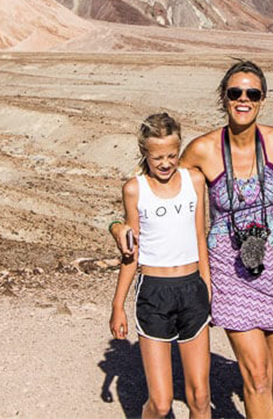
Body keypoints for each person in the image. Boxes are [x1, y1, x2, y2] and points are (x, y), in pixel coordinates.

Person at [109, 59, 273, 418]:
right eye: (235, 92)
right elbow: (160, 183)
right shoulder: (201, 150)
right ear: (224, 98)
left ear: (262, 99)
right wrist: (117, 226)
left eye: (252, 93)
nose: (243, 99)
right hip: (230, 274)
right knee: (257, 377)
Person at [109, 113, 211, 418]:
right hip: (154, 293)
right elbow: (132, 252)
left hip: (192, 289)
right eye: (157, 158)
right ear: (145, 153)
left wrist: (206, 287)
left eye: (171, 155)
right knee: (161, 402)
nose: (165, 163)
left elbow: (199, 236)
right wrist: (117, 305)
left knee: (201, 397)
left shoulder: (194, 181)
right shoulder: (134, 189)